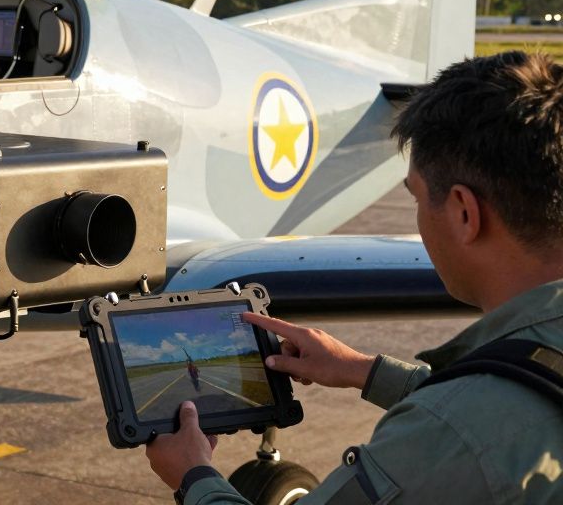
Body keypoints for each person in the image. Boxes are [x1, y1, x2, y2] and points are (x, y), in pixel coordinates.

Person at [146, 51, 563, 504]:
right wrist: (363, 371)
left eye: (418, 199)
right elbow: (514, 415)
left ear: (464, 212)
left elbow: (472, 430)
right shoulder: (486, 409)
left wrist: (193, 475)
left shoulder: (443, 435)